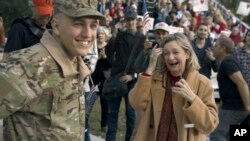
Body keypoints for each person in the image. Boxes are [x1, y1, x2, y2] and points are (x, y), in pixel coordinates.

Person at [0, 0, 104, 140]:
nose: (88, 34)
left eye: (93, 25)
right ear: (56, 26)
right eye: (78, 24)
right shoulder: (28, 65)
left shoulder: (75, 62)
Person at [129, 33, 219, 141]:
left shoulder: (202, 83)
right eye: (166, 53)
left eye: (175, 52)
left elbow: (209, 125)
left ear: (187, 54)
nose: (170, 57)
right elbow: (137, 104)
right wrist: (149, 69)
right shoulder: (153, 79)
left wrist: (193, 99)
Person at [105, 9, 146, 141]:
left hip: (133, 81)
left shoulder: (142, 39)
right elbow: (109, 53)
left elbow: (144, 63)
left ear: (136, 21)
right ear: (125, 22)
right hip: (117, 78)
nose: (130, 22)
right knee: (112, 114)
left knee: (130, 116)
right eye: (128, 20)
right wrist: (112, 36)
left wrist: (133, 75)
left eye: (132, 19)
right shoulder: (119, 36)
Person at [210, 36, 250, 141]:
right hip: (234, 107)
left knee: (216, 135)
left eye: (216, 45)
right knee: (232, 135)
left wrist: (247, 107)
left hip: (235, 108)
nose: (213, 48)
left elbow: (242, 83)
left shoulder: (228, 62)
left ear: (223, 48)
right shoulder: (228, 61)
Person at [92, 26, 112, 132]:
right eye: (99, 33)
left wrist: (104, 57)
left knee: (105, 104)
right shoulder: (92, 46)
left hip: (105, 79)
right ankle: (84, 122)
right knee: (89, 101)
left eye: (103, 34)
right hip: (93, 78)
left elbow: (110, 64)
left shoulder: (109, 47)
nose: (100, 35)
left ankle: (104, 125)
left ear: (106, 36)